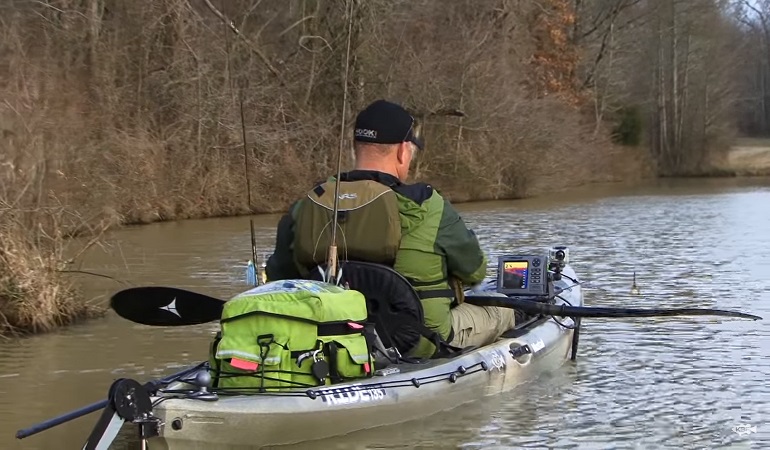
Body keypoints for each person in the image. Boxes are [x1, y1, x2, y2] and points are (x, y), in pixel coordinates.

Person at [265, 99, 516, 358]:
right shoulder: (429, 206)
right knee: (504, 309)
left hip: (328, 340)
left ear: (355, 150)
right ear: (402, 151)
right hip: (420, 341)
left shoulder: (307, 205)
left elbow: (278, 280)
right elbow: (476, 271)